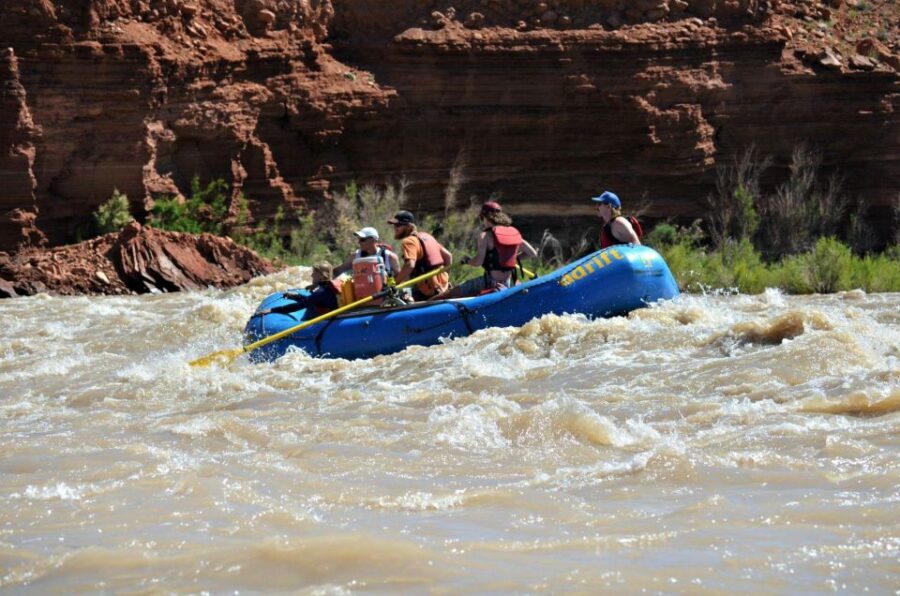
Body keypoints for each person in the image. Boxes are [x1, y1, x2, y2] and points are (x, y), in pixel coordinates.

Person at [432, 201, 537, 300]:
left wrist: (467, 261)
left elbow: (478, 263)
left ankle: (426, 304)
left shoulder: (485, 235)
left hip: (489, 282)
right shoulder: (513, 233)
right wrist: (513, 258)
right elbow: (532, 253)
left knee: (451, 293)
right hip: (510, 282)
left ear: (484, 217)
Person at [389, 210, 452, 301]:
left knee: (399, 300)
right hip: (443, 287)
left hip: (427, 291)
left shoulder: (408, 241)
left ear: (409, 226)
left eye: (398, 225)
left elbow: (410, 265)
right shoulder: (426, 236)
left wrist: (395, 283)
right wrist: (444, 278)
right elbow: (448, 256)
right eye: (394, 225)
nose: (395, 228)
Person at [334, 227, 400, 279]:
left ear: (373, 240)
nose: (359, 242)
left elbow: (399, 277)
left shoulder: (389, 256)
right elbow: (339, 271)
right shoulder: (354, 256)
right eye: (359, 239)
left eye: (362, 240)